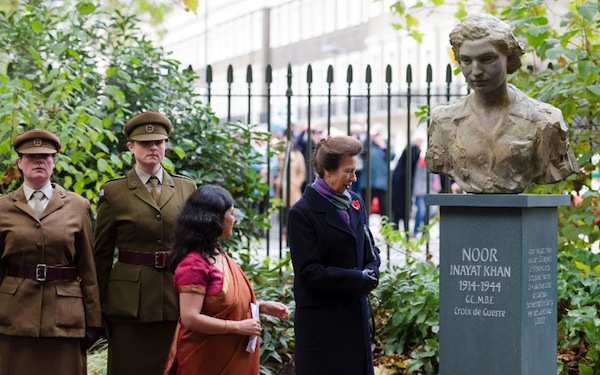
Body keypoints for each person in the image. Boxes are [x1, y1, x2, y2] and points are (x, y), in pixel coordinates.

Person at [94, 111, 197, 375]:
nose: (153, 147)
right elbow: (101, 256)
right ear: (130, 146)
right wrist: (96, 308)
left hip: (175, 296)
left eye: (159, 142)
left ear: (166, 144)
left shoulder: (187, 188)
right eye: (144, 143)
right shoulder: (114, 192)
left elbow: (196, 246)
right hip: (130, 304)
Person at [426, 13, 578, 193]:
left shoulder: (545, 121)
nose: (476, 71)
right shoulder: (443, 121)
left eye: (487, 59)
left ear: (509, 58)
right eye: (466, 60)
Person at [0, 129, 101, 375]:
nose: (39, 161)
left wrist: (94, 321)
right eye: (32, 156)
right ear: (19, 163)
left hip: (64, 318)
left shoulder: (78, 206)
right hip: (14, 316)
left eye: (45, 156)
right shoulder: (2, 207)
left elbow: (88, 268)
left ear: (54, 162)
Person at [163, 185, 289, 374]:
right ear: (215, 220)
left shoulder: (217, 254)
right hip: (205, 361)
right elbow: (190, 318)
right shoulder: (193, 265)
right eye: (230, 213)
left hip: (231, 356)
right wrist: (236, 326)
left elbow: (221, 301)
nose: (234, 219)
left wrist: (260, 306)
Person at [288, 135, 381, 375]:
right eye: (348, 171)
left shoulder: (355, 203)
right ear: (327, 172)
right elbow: (309, 272)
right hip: (323, 326)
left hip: (354, 321)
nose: (354, 178)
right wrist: (357, 279)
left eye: (354, 171)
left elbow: (370, 250)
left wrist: (372, 270)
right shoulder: (302, 213)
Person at [359, 124, 395, 216]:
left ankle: (386, 228)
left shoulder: (386, 144)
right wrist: (369, 138)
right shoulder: (368, 144)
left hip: (382, 182)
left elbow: (392, 156)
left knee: (385, 208)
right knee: (365, 208)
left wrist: (384, 147)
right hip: (368, 182)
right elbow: (361, 151)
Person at [391, 138, 422, 231]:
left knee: (400, 212)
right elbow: (413, 160)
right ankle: (402, 232)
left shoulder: (408, 154)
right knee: (400, 212)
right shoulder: (411, 150)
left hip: (403, 187)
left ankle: (398, 232)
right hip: (402, 187)